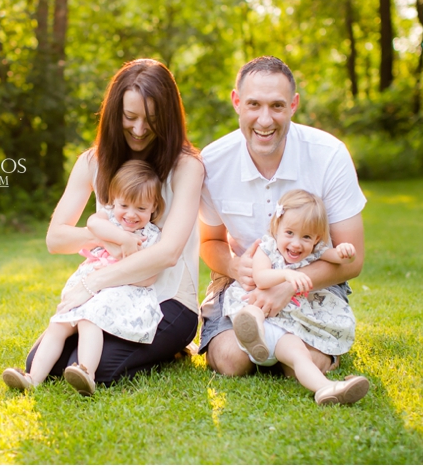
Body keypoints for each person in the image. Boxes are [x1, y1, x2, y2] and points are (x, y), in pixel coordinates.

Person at [20, 58, 205, 389]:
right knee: (40, 365)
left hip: (168, 300)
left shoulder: (186, 167)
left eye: (151, 120)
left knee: (100, 370)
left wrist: (94, 282)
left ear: (168, 117)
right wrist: (109, 238)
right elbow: (56, 239)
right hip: (107, 299)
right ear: (113, 113)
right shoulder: (93, 161)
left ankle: (173, 346)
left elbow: (167, 253)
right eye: (129, 117)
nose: (138, 129)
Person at [198, 55, 367, 382]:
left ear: (293, 104)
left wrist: (288, 286)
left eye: (277, 106)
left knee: (302, 365)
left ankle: (294, 349)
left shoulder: (329, 154)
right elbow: (209, 241)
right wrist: (235, 267)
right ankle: (266, 338)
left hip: (313, 278)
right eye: (253, 105)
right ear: (236, 102)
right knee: (230, 361)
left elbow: (352, 258)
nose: (264, 120)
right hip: (242, 284)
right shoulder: (214, 161)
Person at [2, 161, 167, 396]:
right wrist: (123, 238)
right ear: (113, 201)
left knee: (90, 320)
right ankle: (33, 378)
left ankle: (86, 373)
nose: (131, 214)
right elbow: (92, 221)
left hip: (121, 294)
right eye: (124, 205)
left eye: (141, 208)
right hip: (88, 289)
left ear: (154, 207)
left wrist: (125, 264)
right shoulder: (108, 222)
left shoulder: (151, 236)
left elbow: (149, 277)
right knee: (58, 325)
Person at [222, 189, 369, 405]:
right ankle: (254, 334)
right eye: (289, 233)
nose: (297, 244)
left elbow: (340, 259)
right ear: (277, 228)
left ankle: (326, 388)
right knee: (253, 310)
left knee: (300, 354)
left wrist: (346, 250)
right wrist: (287, 274)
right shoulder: (267, 248)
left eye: (306, 237)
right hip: (262, 312)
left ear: (317, 239)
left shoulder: (316, 251)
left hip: (286, 331)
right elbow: (261, 278)